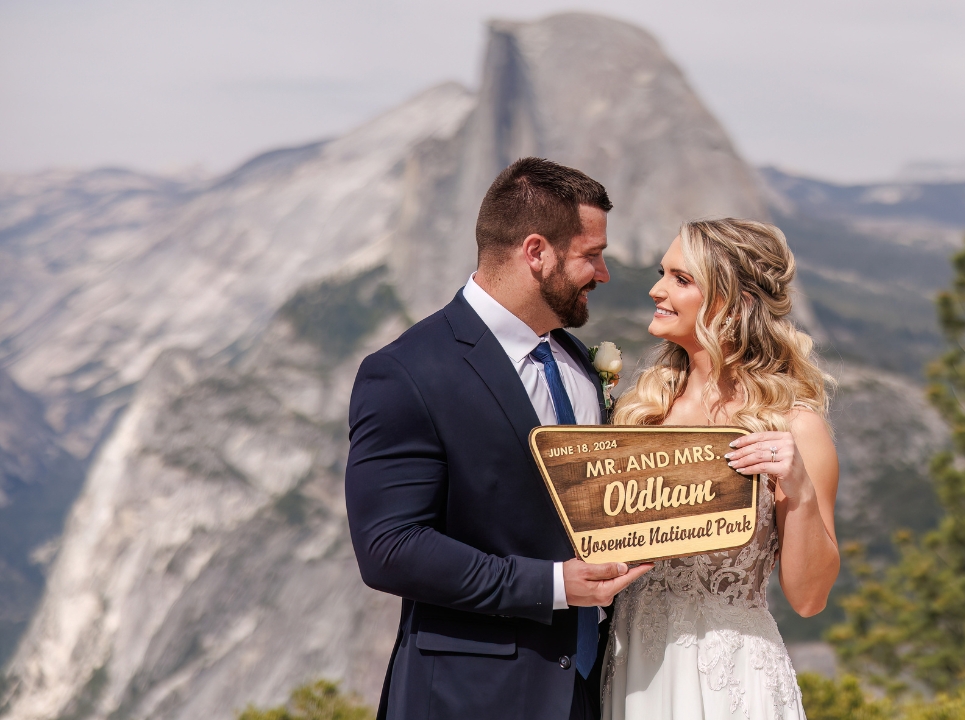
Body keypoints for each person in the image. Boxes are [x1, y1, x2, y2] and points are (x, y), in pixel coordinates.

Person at [345, 157, 651, 720]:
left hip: (592, 686)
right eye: (592, 255)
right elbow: (389, 548)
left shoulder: (578, 363)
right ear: (536, 252)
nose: (605, 273)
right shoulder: (406, 372)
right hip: (471, 694)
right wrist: (554, 584)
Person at [602, 219, 841, 720]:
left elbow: (810, 598)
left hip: (730, 679)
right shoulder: (639, 411)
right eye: (662, 273)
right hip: (632, 668)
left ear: (736, 305)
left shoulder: (796, 427)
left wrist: (796, 489)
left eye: (681, 279)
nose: (656, 289)